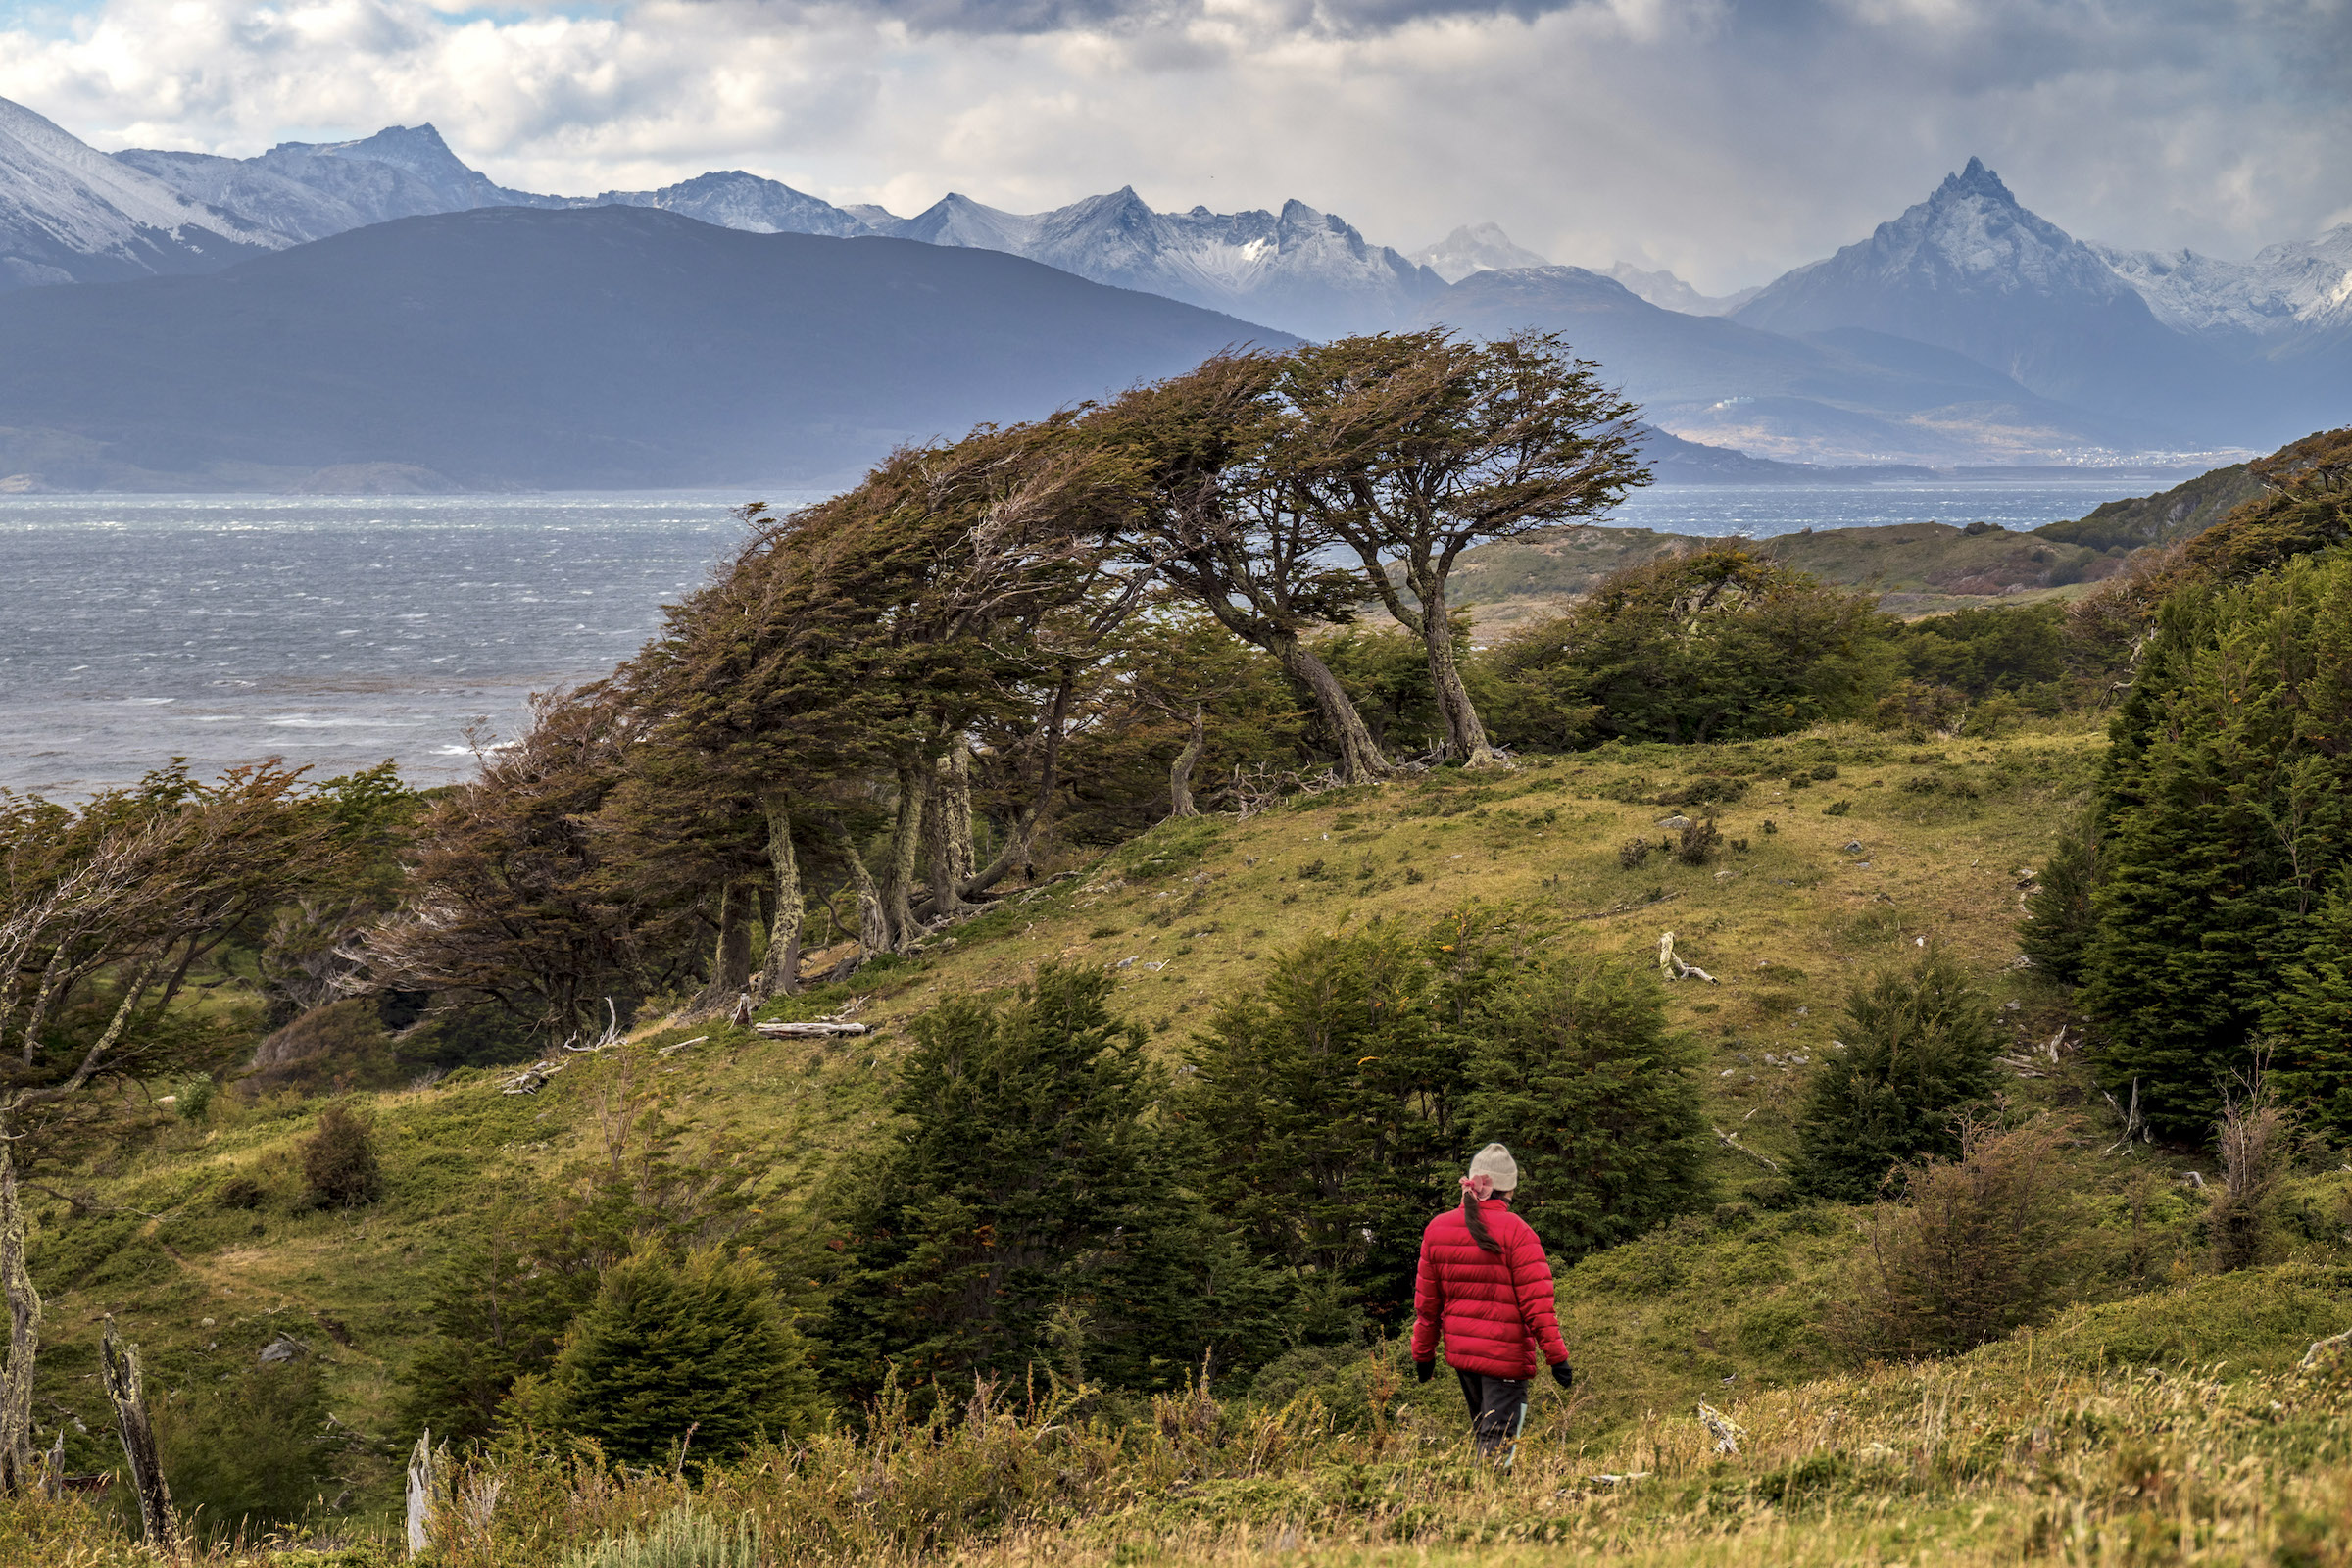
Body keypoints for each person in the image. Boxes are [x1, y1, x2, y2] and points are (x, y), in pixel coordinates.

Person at [1409, 1143, 1573, 1463]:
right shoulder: (1518, 1232)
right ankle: (1486, 1504)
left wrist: (1423, 1354)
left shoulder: (1437, 1229)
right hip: (1504, 1360)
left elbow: (1427, 1306)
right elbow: (1537, 1306)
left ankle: (1478, 1501)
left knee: (1486, 1435)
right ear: (1509, 1188)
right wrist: (1557, 1358)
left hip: (1464, 1357)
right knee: (1498, 1446)